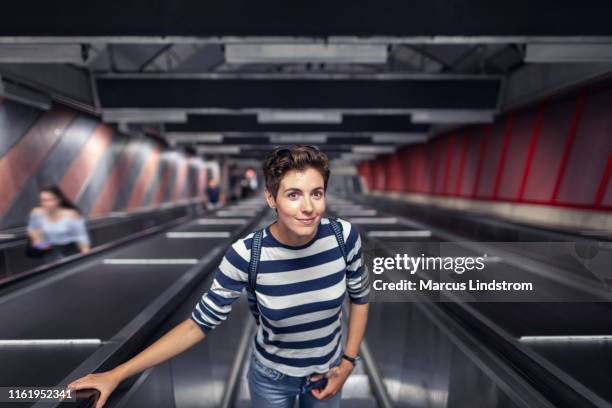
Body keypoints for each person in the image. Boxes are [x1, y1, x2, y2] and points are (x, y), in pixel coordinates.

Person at [67, 145, 370, 408]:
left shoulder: (343, 237)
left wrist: (347, 362)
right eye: (293, 194)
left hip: (330, 372)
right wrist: (117, 373)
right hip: (272, 379)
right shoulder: (246, 255)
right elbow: (196, 325)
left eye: (316, 193)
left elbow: (360, 296)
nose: (308, 207)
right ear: (271, 198)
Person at [27, 185, 91, 261]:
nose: (44, 203)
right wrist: (39, 243)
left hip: (70, 249)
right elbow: (32, 229)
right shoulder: (37, 213)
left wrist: (87, 257)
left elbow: (81, 237)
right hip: (50, 251)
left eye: (48, 200)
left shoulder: (72, 214)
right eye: (42, 200)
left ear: (58, 200)